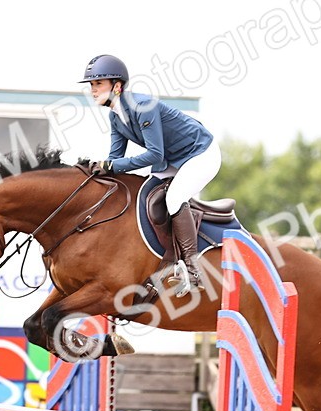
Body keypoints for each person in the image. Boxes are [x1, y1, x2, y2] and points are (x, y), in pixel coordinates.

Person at [81, 54, 221, 291]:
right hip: (174, 158)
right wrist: (96, 171)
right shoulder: (115, 116)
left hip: (201, 154)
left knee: (174, 198)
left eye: (98, 84)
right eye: (92, 85)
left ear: (117, 86)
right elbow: (115, 159)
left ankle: (193, 269)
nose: (93, 90)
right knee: (147, 196)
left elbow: (154, 155)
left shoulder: (142, 106)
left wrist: (111, 166)